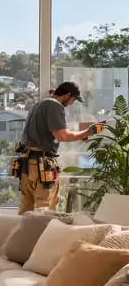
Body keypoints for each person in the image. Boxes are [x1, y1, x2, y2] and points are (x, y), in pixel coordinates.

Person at [15, 81, 102, 214]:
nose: (72, 103)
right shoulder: (54, 105)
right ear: (67, 95)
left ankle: (25, 235)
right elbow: (63, 136)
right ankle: (44, 235)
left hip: (26, 163)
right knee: (44, 211)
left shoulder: (39, 104)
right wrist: (89, 132)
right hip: (41, 166)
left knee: (26, 210)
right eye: (73, 99)